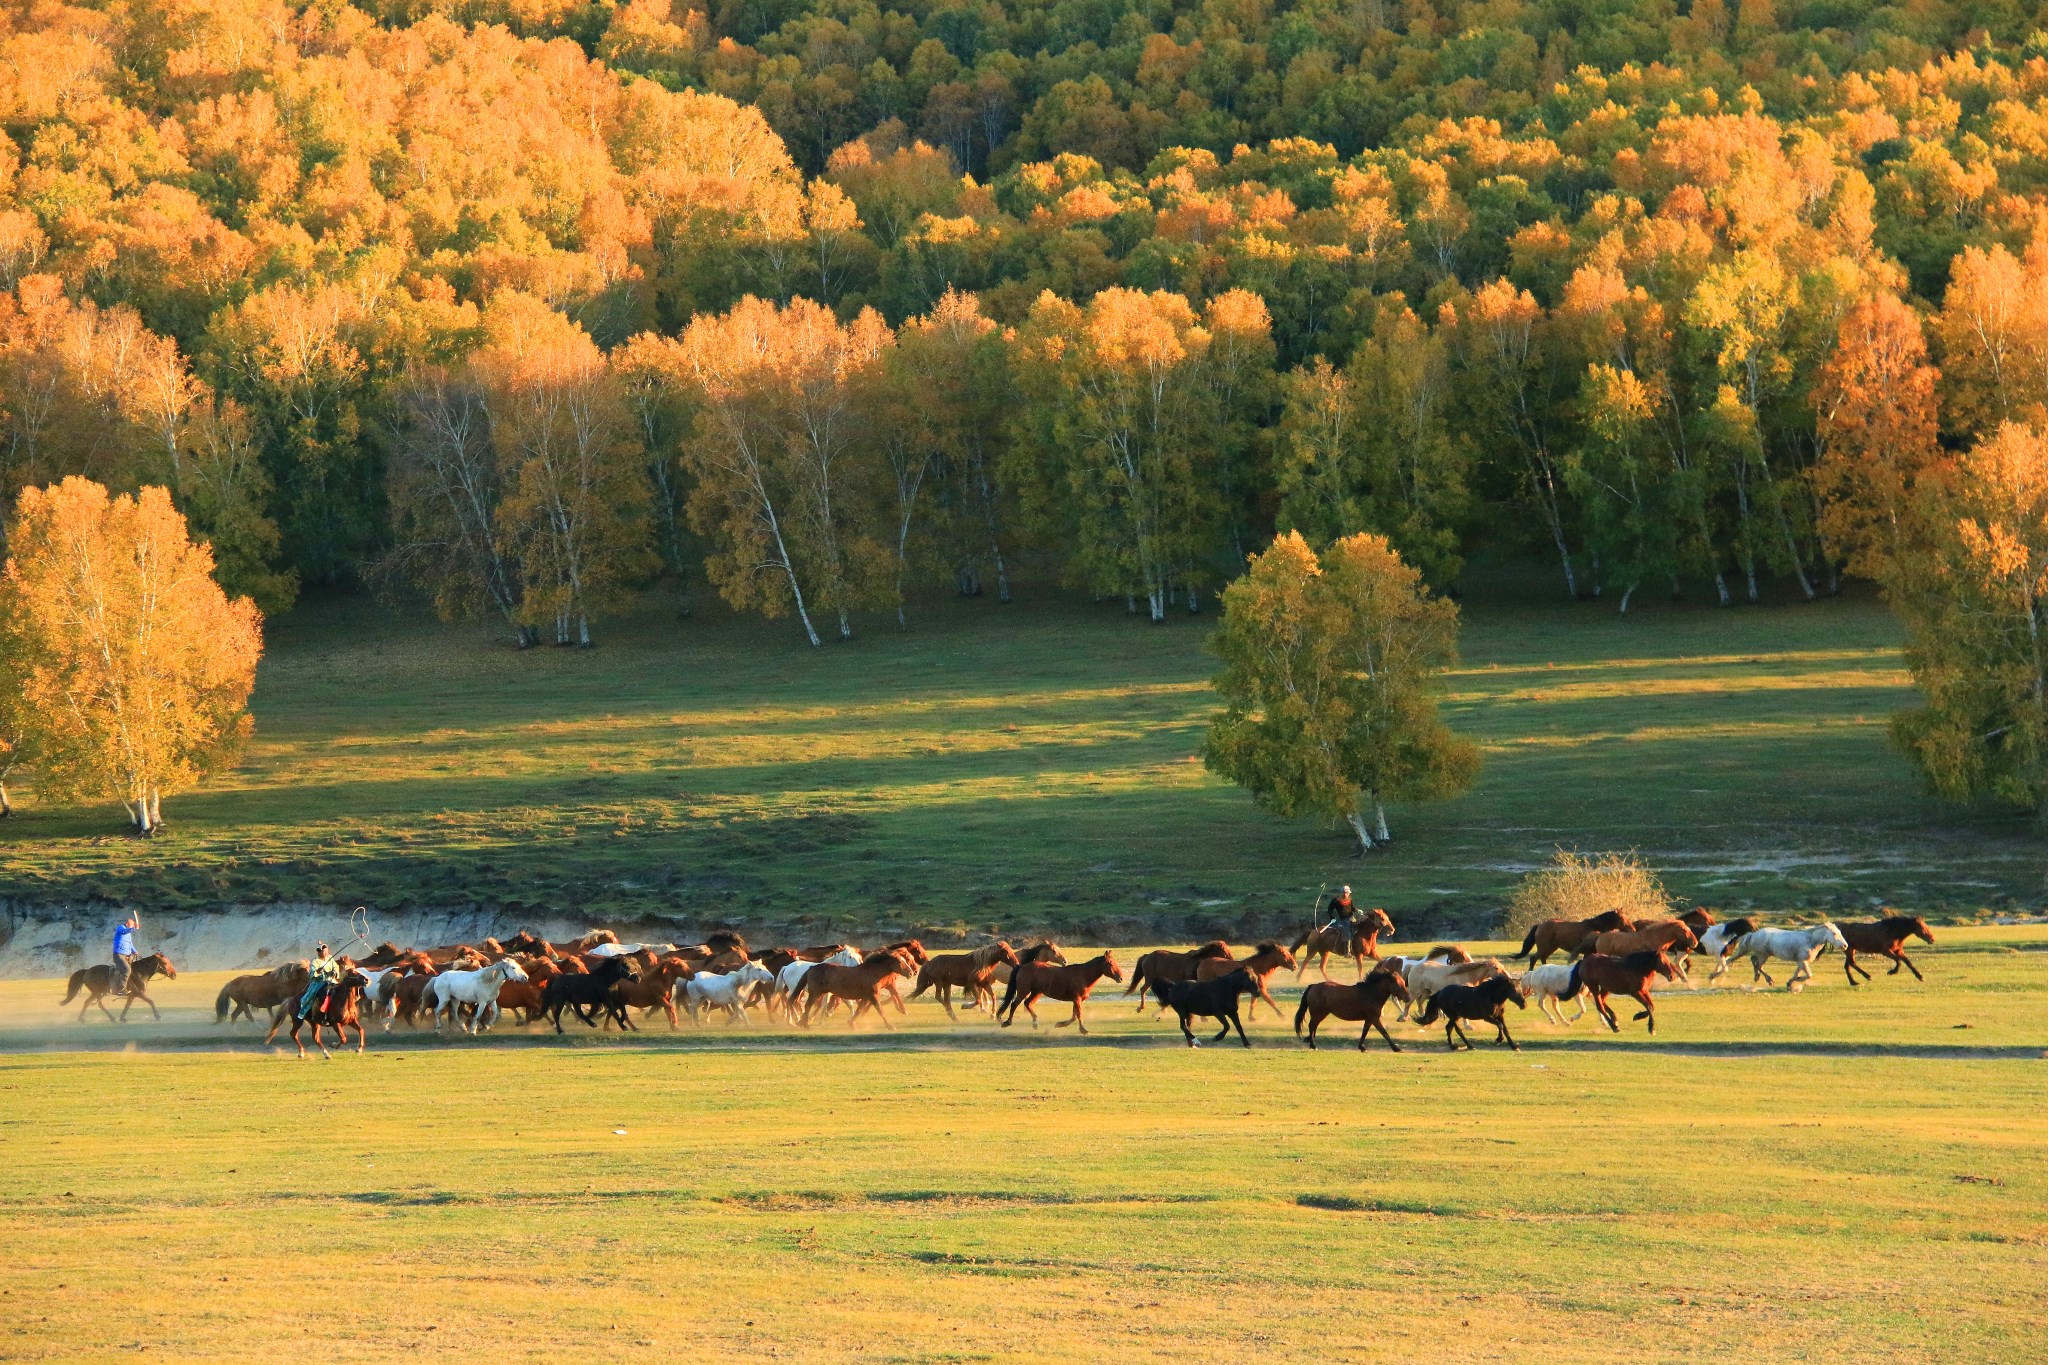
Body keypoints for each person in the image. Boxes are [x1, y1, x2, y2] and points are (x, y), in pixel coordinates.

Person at [298, 942, 344, 1020]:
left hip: (332, 981)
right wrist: (318, 971)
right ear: (319, 952)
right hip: (319, 982)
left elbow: (335, 966)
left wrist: (335, 972)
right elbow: (311, 974)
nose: (325, 953)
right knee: (320, 994)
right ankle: (322, 1014)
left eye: (326, 951)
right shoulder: (315, 961)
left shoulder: (330, 958)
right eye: (322, 952)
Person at [110, 913, 140, 997]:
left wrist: (135, 951)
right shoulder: (121, 928)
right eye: (131, 926)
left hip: (127, 955)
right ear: (127, 924)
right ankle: (121, 989)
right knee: (127, 970)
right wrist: (134, 928)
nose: (131, 927)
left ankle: (131, 986)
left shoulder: (129, 933)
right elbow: (124, 932)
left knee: (133, 969)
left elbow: (129, 944)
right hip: (119, 955)